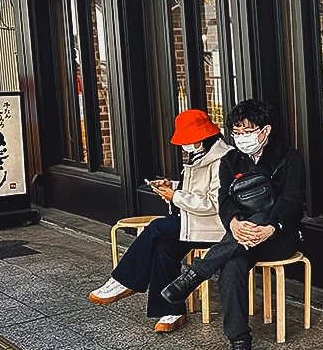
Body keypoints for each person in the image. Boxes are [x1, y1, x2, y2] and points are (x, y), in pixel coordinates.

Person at [161, 99, 305, 350]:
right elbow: (224, 201)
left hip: (279, 237)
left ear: (265, 131)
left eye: (247, 131)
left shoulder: (289, 157)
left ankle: (196, 273)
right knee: (231, 266)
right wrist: (235, 223)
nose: (241, 138)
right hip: (240, 241)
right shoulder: (230, 160)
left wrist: (269, 227)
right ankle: (239, 342)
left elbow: (292, 201)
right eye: (237, 133)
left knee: (261, 216)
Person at [88, 109, 231, 332]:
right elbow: (197, 190)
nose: (186, 145)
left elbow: (215, 203)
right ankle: (172, 311)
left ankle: (124, 280)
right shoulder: (202, 154)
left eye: (190, 140)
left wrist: (176, 196)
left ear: (204, 137)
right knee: (163, 247)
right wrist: (173, 186)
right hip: (196, 223)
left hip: (216, 227)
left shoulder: (223, 159)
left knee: (157, 228)